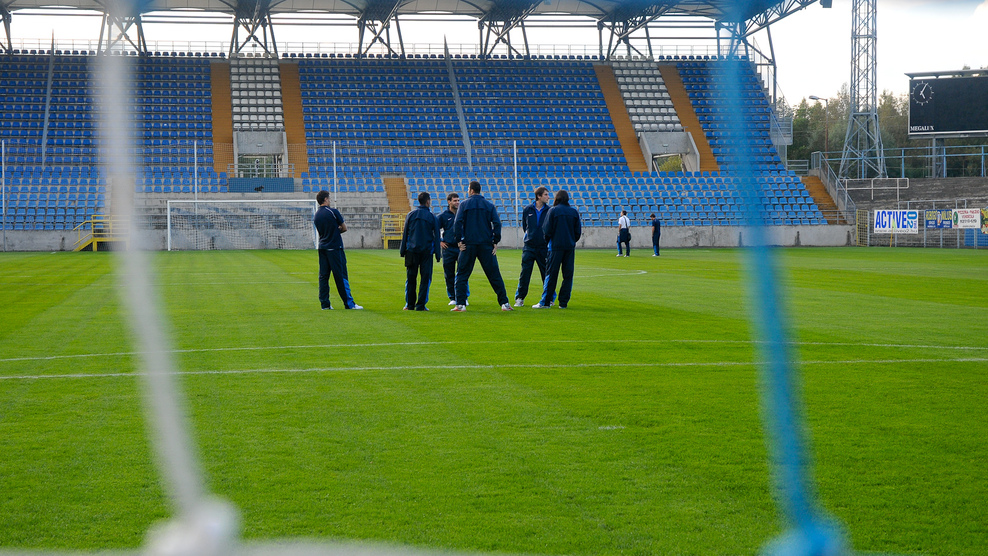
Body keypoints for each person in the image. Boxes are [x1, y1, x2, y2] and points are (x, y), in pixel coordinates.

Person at [451, 180, 513, 312]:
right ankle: (504, 303)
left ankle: (460, 304)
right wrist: (495, 241)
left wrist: (458, 240)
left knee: (462, 274)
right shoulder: (489, 205)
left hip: (468, 244)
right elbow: (497, 223)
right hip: (486, 244)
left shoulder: (464, 205)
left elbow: (457, 223)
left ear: (471, 190)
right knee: (494, 274)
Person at [313, 190, 362, 310]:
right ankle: (349, 304)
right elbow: (344, 228)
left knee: (323, 277)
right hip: (334, 248)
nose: (330, 200)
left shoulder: (317, 215)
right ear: (325, 199)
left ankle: (325, 304)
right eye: (329, 198)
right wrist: (336, 230)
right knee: (341, 276)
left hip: (322, 247)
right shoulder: (333, 212)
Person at [534, 189, 581, 309]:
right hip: (569, 247)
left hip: (555, 247)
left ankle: (546, 302)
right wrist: (571, 240)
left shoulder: (553, 211)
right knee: (568, 275)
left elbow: (546, 229)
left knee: (551, 274)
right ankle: (563, 302)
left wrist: (548, 241)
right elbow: (578, 232)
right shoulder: (573, 212)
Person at [399, 191, 441, 311]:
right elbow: (437, 237)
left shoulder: (411, 215)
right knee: (425, 279)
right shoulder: (432, 217)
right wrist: (438, 254)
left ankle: (410, 304)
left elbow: (405, 233)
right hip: (426, 252)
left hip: (411, 251)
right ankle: (421, 305)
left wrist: (402, 250)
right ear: (427, 201)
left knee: (411, 278)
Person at [514, 186, 552, 307]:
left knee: (545, 273)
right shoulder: (528, 209)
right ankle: (520, 298)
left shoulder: (549, 211)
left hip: (543, 247)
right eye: (546, 194)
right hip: (529, 246)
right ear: (539, 196)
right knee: (525, 273)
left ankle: (549, 298)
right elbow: (525, 226)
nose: (548, 197)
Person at [438, 192, 468, 306]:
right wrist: (440, 241)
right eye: (455, 200)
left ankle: (463, 297)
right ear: (449, 202)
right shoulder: (443, 216)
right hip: (448, 248)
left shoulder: (463, 214)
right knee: (449, 274)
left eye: (458, 200)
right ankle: (452, 297)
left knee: (462, 273)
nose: (457, 202)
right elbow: (433, 229)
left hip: (461, 247)